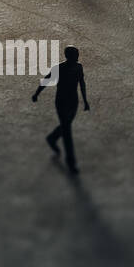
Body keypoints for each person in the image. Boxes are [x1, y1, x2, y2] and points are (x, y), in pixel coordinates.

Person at [32, 45, 89, 174]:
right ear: (68, 56)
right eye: (75, 55)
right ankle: (71, 163)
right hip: (62, 102)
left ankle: (52, 137)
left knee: (66, 125)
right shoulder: (59, 68)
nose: (77, 57)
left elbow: (82, 83)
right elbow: (46, 81)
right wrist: (36, 94)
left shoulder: (78, 67)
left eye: (77, 54)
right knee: (67, 132)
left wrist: (85, 100)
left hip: (73, 102)